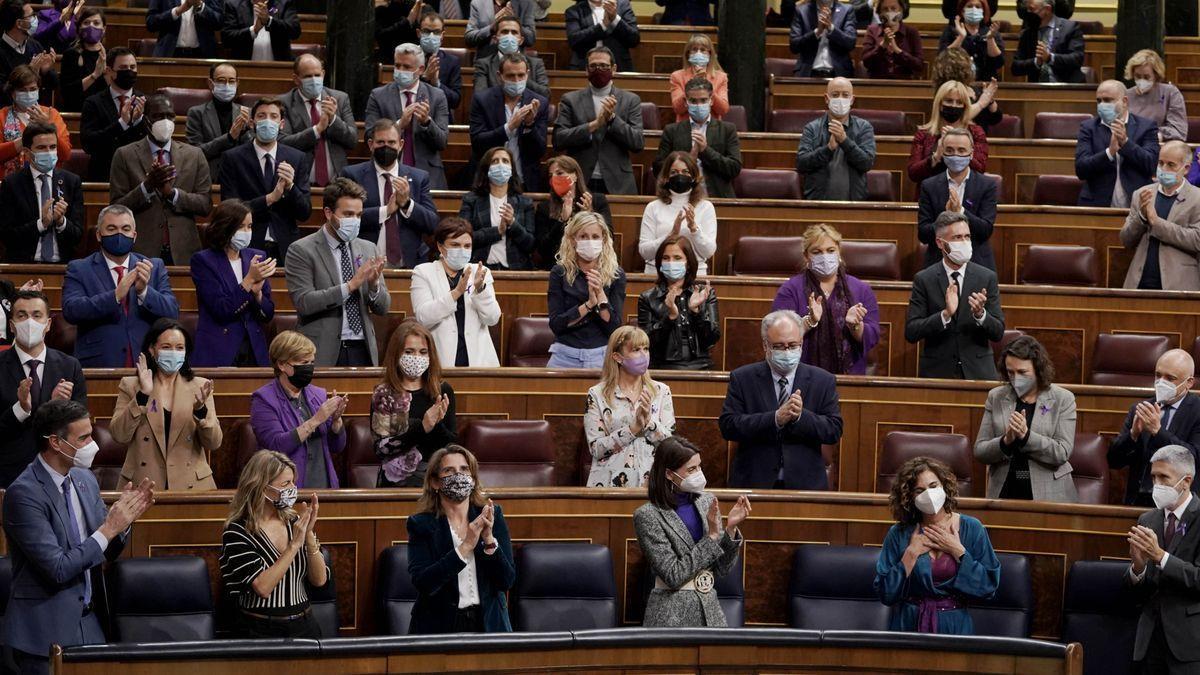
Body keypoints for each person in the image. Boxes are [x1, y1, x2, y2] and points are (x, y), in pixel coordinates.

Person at [1, 400, 152, 674]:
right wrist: (109, 528)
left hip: (92, 624)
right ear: (56, 443)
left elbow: (103, 551)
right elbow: (58, 568)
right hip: (44, 634)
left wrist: (122, 523)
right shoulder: (23, 494)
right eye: (83, 438)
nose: (93, 444)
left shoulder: (85, 479)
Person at [874, 456, 1001, 634]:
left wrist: (958, 551)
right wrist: (910, 554)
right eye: (919, 490)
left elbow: (988, 587)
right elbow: (886, 594)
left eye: (933, 486)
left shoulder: (972, 528)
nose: (928, 494)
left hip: (955, 627)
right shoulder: (899, 533)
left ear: (944, 486)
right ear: (909, 497)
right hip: (908, 625)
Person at [718, 310, 844, 490]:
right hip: (754, 483)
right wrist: (775, 418)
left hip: (805, 485)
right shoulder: (743, 378)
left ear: (801, 344)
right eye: (779, 346)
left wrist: (801, 416)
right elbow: (728, 426)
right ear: (765, 346)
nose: (787, 351)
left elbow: (834, 430)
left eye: (792, 345)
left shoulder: (822, 380)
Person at [634, 435, 749, 627]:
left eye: (699, 466)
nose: (699, 474)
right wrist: (711, 537)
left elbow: (722, 568)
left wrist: (730, 529)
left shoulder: (706, 502)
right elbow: (673, 575)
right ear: (669, 474)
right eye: (691, 469)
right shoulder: (648, 516)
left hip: (710, 616)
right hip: (671, 616)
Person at [219, 451, 328, 639]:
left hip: (305, 625)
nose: (293, 489)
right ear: (261, 487)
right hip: (260, 629)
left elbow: (319, 580)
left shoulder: (295, 522)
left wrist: (308, 533)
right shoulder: (237, 531)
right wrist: (294, 545)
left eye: (293, 482)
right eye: (286, 484)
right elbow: (263, 587)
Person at [407, 445, 514, 633]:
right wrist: (465, 547)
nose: (459, 475)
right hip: (439, 627)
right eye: (449, 470)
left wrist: (488, 539)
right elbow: (424, 582)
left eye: (464, 470)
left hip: (489, 625)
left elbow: (506, 581)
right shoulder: (421, 524)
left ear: (472, 479)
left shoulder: (491, 515)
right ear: (435, 482)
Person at [286, 177, 390, 367]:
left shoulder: (368, 248)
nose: (355, 221)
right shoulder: (301, 249)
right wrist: (350, 286)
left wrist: (374, 286)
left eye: (358, 215)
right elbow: (304, 302)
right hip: (321, 349)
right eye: (348, 214)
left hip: (363, 348)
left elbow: (383, 308)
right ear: (328, 213)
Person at [109, 318, 221, 491]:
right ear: (152, 349)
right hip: (142, 486)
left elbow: (214, 443)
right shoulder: (131, 385)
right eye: (166, 347)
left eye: (179, 348)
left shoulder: (200, 386)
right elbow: (119, 435)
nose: (174, 352)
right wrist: (142, 396)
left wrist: (200, 412)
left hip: (193, 486)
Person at [61, 205, 180, 368]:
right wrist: (115, 296)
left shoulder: (153, 266)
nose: (119, 234)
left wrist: (143, 291)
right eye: (111, 229)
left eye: (125, 229)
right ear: (98, 234)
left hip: (146, 363)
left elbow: (172, 312)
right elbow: (72, 310)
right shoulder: (79, 268)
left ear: (134, 235)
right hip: (99, 364)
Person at [109, 92, 213, 266]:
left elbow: (205, 205)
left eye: (170, 116)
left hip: (183, 251)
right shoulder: (124, 155)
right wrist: (147, 187)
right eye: (158, 116)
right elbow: (116, 208)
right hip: (141, 251)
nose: (165, 121)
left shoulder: (194, 155)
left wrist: (172, 193)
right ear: (146, 119)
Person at [973, 336, 1078, 502]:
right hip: (1004, 491)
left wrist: (1026, 436)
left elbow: (1061, 452)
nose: (1016, 378)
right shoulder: (996, 397)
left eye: (1022, 372)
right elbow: (980, 451)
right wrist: (1005, 441)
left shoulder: (1062, 399)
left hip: (1050, 496)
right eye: (1010, 372)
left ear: (1037, 369)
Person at [0, 289, 86, 489]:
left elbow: (79, 428)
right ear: (12, 326)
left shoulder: (70, 366)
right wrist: (20, 409)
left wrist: (54, 408)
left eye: (37, 315)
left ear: (48, 324)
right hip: (9, 476)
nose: (29, 322)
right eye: (22, 316)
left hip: (59, 474)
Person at [1126, 445, 1200, 673]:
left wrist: (1160, 556)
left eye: (1163, 477)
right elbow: (1138, 595)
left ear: (1186, 481)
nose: (1156, 485)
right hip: (1149, 642)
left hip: (1189, 644)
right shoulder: (1147, 519)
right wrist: (1138, 568)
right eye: (1153, 477)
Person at [904, 211, 1004, 380]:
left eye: (967, 236)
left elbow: (998, 332)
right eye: (957, 237)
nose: (964, 242)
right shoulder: (924, 279)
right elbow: (912, 332)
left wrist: (981, 314)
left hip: (978, 373)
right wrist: (944, 315)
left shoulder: (987, 277)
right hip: (938, 373)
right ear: (940, 243)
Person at [771, 224, 880, 376]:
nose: (825, 256)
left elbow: (873, 336)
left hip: (849, 377)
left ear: (839, 252)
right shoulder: (790, 289)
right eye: (817, 252)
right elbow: (778, 334)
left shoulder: (861, 289)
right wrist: (809, 321)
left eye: (830, 250)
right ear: (806, 256)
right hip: (803, 377)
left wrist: (855, 326)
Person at [218, 96, 312, 262]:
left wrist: (291, 187)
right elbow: (228, 209)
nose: (268, 121)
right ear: (252, 123)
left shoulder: (297, 158)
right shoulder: (232, 158)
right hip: (247, 244)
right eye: (261, 116)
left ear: (281, 124)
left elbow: (304, 212)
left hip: (286, 246)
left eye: (273, 116)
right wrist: (269, 199)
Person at [250, 331, 347, 489]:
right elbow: (276, 446)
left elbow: (337, 447)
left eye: (311, 362)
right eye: (303, 362)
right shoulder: (264, 400)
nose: (309, 367)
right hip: (285, 488)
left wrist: (336, 422)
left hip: (323, 485)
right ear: (282, 364)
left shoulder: (318, 394)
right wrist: (316, 420)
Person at [339, 118, 438, 268]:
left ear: (401, 145)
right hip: (365, 262)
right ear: (371, 145)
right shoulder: (353, 175)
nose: (386, 147)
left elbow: (432, 223)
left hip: (409, 262)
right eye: (380, 143)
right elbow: (344, 217)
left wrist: (407, 204)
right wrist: (385, 211)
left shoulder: (419, 178)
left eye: (391, 143)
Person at [584, 326, 676, 488]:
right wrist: (633, 429)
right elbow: (597, 449)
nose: (643, 355)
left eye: (646, 349)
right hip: (610, 484)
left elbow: (670, 446)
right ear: (617, 357)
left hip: (652, 484)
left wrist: (649, 424)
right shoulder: (597, 394)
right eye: (635, 350)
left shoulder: (661, 391)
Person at [189, 199, 276, 367]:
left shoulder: (256, 257)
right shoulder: (203, 261)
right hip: (219, 349)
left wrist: (257, 295)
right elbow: (221, 309)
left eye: (249, 226)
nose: (246, 232)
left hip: (253, 349)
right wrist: (249, 281)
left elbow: (268, 314)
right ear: (225, 227)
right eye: (240, 226)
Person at [1108, 349, 1200, 507]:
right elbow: (1114, 461)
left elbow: (1194, 457)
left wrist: (1159, 432)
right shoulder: (1141, 408)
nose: (1161, 382)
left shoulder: (1197, 411)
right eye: (1158, 375)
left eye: (1170, 378)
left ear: (1189, 383)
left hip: (1181, 504)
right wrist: (1133, 435)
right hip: (1139, 501)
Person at [371, 321, 457, 487]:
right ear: (396, 354)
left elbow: (452, 445)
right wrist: (423, 426)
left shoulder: (442, 390)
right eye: (409, 351)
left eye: (423, 352)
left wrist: (436, 425)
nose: (416, 357)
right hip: (396, 484)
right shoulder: (384, 393)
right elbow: (381, 449)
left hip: (435, 483)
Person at [554, 46, 644, 196]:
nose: (598, 69)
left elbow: (637, 142)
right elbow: (558, 139)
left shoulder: (630, 100)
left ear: (614, 69)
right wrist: (593, 125)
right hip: (580, 180)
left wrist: (612, 119)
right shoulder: (570, 99)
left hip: (618, 182)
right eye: (593, 66)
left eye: (604, 66)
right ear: (586, 69)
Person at [412, 217, 501, 367]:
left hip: (480, 363)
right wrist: (456, 292)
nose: (462, 250)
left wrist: (480, 290)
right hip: (440, 362)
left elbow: (492, 319)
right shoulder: (423, 272)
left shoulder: (480, 272)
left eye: (467, 246)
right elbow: (423, 318)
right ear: (440, 247)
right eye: (455, 245)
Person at [364, 43, 451, 190]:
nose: (400, 71)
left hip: (428, 175)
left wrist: (426, 123)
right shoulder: (378, 96)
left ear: (420, 70)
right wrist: (398, 125)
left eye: (406, 67)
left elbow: (442, 142)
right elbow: (369, 136)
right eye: (397, 66)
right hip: (387, 172)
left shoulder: (437, 96)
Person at [547, 211, 626, 368]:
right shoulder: (559, 272)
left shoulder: (616, 274)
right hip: (564, 355)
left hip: (602, 356)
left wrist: (600, 294)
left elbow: (615, 328)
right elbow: (556, 325)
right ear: (573, 240)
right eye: (583, 236)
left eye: (595, 237)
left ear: (603, 240)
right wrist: (589, 304)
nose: (589, 241)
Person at [1120, 141, 1200, 291]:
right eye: (1161, 163)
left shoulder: (1197, 198)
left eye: (1171, 165)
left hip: (1179, 285)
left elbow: (1197, 240)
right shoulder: (1142, 194)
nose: (1163, 169)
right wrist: (1142, 218)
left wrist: (1156, 222)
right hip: (1139, 283)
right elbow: (1126, 240)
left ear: (1186, 168)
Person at [0, 121, 83, 263]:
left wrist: (61, 222)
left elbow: (78, 236)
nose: (49, 152)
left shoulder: (72, 182)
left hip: (62, 267)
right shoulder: (12, 184)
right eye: (41, 148)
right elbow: (7, 237)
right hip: (24, 266)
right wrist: (41, 224)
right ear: (27, 152)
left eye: (53, 147)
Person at [917, 127, 997, 270]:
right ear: (942, 152)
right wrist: (945, 217)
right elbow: (923, 234)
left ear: (971, 154)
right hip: (938, 264)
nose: (955, 155)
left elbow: (985, 230)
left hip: (977, 264)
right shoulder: (929, 186)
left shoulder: (987, 185)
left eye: (961, 150)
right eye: (949, 150)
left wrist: (960, 211)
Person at [467, 53, 549, 193]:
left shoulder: (539, 103)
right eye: (511, 76)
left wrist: (529, 125)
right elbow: (477, 142)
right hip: (488, 181)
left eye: (521, 75)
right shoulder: (482, 100)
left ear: (527, 74)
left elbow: (539, 150)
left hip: (524, 181)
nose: (516, 80)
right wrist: (509, 128)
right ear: (500, 76)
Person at [638, 236, 720, 371]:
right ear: (660, 264)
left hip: (701, 366)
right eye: (666, 258)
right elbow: (646, 343)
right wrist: (670, 317)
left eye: (677, 258)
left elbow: (712, 338)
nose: (671, 263)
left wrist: (696, 311)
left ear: (688, 263)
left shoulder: (704, 293)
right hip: (663, 367)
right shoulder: (648, 298)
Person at [1075, 79, 1159, 208]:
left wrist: (1125, 143)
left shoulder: (1146, 127)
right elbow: (1081, 169)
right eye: (1099, 101)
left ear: (1124, 101)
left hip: (1137, 206)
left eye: (1108, 100)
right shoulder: (1088, 128)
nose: (1102, 105)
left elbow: (1151, 165)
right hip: (1097, 205)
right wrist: (1109, 152)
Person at [277, 54, 358, 188]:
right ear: (296, 79)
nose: (314, 80)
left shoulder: (340, 98)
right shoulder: (283, 103)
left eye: (317, 75)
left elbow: (352, 140)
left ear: (323, 74)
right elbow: (283, 143)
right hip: (300, 182)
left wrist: (333, 120)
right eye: (308, 76)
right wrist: (317, 129)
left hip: (338, 182)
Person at [652, 78, 741, 199]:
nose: (699, 105)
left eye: (703, 100)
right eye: (693, 101)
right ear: (685, 102)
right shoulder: (672, 131)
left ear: (711, 100)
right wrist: (688, 160)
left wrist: (706, 151)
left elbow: (734, 168)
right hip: (679, 199)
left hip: (717, 198)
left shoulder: (727, 130)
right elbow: (658, 169)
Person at [795, 77, 877, 201]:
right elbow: (801, 164)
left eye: (845, 95)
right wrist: (828, 149)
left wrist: (844, 140)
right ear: (827, 99)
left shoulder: (864, 127)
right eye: (835, 95)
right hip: (818, 203)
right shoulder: (812, 128)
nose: (840, 99)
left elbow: (866, 163)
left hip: (854, 204)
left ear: (852, 100)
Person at [639, 151, 717, 275]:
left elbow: (708, 252)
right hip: (657, 273)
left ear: (694, 176)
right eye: (674, 172)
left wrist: (694, 229)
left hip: (693, 274)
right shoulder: (653, 207)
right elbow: (644, 252)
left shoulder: (706, 207)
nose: (680, 176)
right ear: (666, 177)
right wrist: (670, 235)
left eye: (685, 172)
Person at [459, 146, 536, 270]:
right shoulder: (471, 200)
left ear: (512, 169)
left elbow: (530, 244)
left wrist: (512, 224)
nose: (501, 165)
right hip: (479, 268)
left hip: (516, 271)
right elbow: (463, 237)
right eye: (495, 161)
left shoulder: (524, 203)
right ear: (486, 168)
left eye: (505, 161)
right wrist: (497, 231)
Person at [79, 46, 146, 182]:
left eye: (132, 67)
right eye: (123, 68)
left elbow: (150, 143)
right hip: (104, 175)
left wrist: (138, 122)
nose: (129, 72)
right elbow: (89, 144)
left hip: (137, 176)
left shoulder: (144, 101)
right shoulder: (93, 103)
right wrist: (121, 124)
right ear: (109, 71)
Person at [906, 80, 988, 190]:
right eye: (949, 101)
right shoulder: (924, 134)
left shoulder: (976, 132)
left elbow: (980, 169)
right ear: (940, 105)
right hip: (930, 197)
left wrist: (960, 146)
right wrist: (936, 156)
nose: (954, 106)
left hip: (965, 194)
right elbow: (913, 174)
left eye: (959, 102)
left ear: (965, 106)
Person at [534, 155, 612, 269]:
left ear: (575, 175)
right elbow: (543, 249)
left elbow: (609, 237)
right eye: (551, 176)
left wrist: (589, 216)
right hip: (559, 267)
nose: (554, 178)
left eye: (560, 173)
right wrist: (562, 221)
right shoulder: (544, 208)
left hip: (595, 266)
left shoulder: (597, 201)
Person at [0, 65, 70, 180]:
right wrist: (25, 140)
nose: (28, 94)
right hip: (10, 182)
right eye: (22, 90)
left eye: (32, 89)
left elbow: (65, 154)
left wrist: (47, 126)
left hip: (47, 180)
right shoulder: (2, 116)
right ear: (13, 93)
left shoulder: (52, 114)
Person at [186, 62, 252, 179]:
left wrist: (246, 132)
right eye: (221, 80)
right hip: (209, 176)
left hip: (240, 175)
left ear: (237, 83)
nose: (227, 85)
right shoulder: (197, 113)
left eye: (231, 81)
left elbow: (253, 150)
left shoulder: (247, 113)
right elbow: (195, 152)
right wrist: (229, 137)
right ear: (211, 83)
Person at [471, 15, 549, 98]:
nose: (509, 36)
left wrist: (522, 78)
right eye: (504, 32)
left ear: (521, 40)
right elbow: (480, 97)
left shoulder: (536, 64)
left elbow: (545, 95)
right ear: (495, 39)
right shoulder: (483, 64)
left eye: (514, 32)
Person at [0, 0, 58, 108]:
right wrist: (29, 73)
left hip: (36, 113)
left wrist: (45, 71)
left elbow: (54, 84)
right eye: (31, 16)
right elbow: (3, 93)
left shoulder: (34, 45)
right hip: (7, 116)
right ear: (19, 23)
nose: (35, 19)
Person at [930, 47, 1002, 132]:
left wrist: (990, 101)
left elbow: (996, 118)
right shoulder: (943, 92)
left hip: (978, 139)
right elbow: (955, 119)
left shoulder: (976, 91)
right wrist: (981, 104)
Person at [1011, 0, 1084, 83]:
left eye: (1031, 9)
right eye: (1027, 9)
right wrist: (1036, 62)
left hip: (1066, 88)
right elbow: (1015, 68)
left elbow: (1077, 59)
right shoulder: (1028, 33)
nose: (1028, 12)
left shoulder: (1070, 28)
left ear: (1047, 9)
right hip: (1037, 90)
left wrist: (1050, 57)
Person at [1125, 49, 1187, 143]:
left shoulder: (1170, 93)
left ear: (1156, 75)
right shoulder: (1126, 95)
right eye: (1137, 76)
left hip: (1159, 146)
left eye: (1146, 77)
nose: (1141, 80)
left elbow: (1179, 131)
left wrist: (1156, 135)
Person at [938, 0, 1005, 83]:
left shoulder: (991, 32)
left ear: (983, 11)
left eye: (978, 7)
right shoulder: (951, 31)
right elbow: (943, 59)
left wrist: (990, 39)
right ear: (962, 11)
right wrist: (960, 37)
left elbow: (998, 62)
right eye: (969, 6)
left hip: (986, 83)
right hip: (957, 83)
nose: (974, 10)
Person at [564, 0, 639, 72]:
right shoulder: (574, 10)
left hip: (618, 67)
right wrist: (602, 26)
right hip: (584, 67)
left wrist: (615, 18)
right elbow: (573, 41)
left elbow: (634, 40)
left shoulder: (623, 5)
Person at [788, 0, 856, 77]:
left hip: (839, 74)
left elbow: (850, 43)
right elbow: (794, 46)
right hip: (808, 73)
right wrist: (817, 32)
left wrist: (831, 28)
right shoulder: (801, 11)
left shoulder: (846, 10)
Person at [669, 34, 728, 122]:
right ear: (688, 53)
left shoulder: (721, 77)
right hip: (685, 128)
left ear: (710, 54)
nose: (698, 53)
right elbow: (678, 109)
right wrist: (693, 82)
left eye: (703, 50)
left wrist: (706, 83)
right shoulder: (677, 76)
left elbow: (723, 110)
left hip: (713, 129)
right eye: (694, 49)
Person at [57, 7, 105, 112]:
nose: (91, 26)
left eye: (96, 23)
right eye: (86, 23)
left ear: (104, 29)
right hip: (77, 110)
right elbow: (68, 92)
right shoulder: (71, 54)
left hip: (102, 112)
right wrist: (95, 75)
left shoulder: (109, 55)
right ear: (79, 28)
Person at [221, 0, 301, 61]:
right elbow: (226, 39)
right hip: (244, 68)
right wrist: (253, 30)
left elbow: (295, 31)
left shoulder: (284, 3)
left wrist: (269, 21)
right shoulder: (232, 5)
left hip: (279, 68)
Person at [415, 10, 463, 114]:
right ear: (419, 33)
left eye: (436, 32)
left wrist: (436, 83)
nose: (431, 36)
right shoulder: (409, 57)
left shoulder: (452, 62)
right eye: (427, 31)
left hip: (441, 118)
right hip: (414, 114)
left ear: (442, 35)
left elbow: (455, 102)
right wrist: (424, 78)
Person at [862, 0, 923, 79]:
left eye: (893, 8)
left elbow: (919, 65)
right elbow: (866, 62)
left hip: (904, 83)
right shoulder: (872, 30)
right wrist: (883, 46)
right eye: (885, 9)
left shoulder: (911, 32)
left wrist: (897, 50)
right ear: (880, 12)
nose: (889, 12)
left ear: (901, 10)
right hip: (877, 82)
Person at [147, 0, 221, 57]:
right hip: (170, 54)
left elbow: (219, 22)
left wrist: (201, 7)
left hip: (203, 54)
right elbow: (151, 23)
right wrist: (177, 11)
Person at [466, 0, 536, 60]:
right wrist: (492, 27)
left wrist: (514, 21)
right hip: (485, 63)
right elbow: (469, 38)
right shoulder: (478, 3)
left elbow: (530, 39)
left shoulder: (526, 3)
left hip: (516, 63)